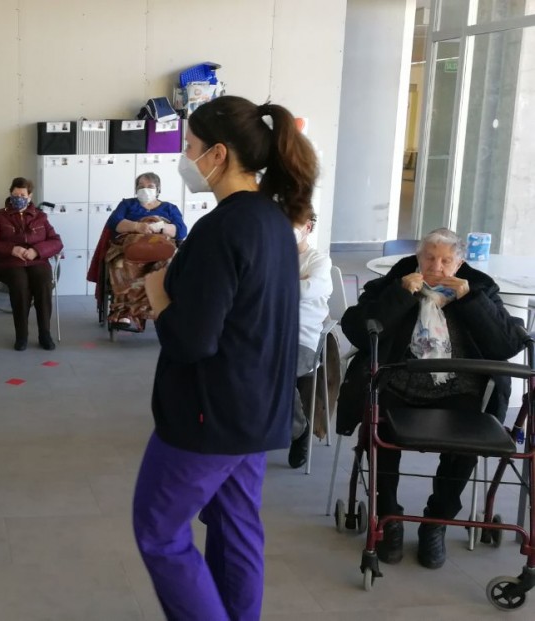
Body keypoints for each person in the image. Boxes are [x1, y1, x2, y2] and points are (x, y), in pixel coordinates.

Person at [134, 96, 317, 621]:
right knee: (235, 524)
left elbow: (191, 341)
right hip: (257, 407)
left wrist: (159, 294)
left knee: (159, 531)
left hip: (210, 413)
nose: (184, 159)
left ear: (218, 154)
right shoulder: (272, 219)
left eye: (190, 146)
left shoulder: (223, 228)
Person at [338, 228, 526, 569]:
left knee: (466, 443)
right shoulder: (396, 281)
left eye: (446, 260)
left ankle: (436, 521)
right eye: (429, 258)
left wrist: (470, 300)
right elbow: (357, 330)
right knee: (381, 428)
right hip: (397, 383)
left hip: (459, 388)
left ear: (460, 263)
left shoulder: (478, 287)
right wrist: (400, 296)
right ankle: (389, 517)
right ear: (418, 257)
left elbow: (506, 345)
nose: (436, 267)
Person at [0, 177, 63, 351]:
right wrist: (11, 249)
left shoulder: (40, 217)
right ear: (10, 194)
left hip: (36, 260)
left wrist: (37, 251)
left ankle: (45, 334)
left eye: (22, 195)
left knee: (43, 282)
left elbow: (56, 242)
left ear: (30, 196)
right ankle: (21, 335)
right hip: (9, 263)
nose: (18, 198)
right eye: (15, 195)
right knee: (19, 284)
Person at [98, 172, 187, 330]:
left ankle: (159, 308)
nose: (145, 190)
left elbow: (181, 231)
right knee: (120, 264)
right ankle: (124, 312)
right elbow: (113, 222)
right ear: (136, 189)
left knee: (168, 263)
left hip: (160, 248)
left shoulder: (169, 208)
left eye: (150, 186)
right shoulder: (127, 204)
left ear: (158, 189)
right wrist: (137, 226)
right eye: (141, 186)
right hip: (130, 249)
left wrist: (160, 227)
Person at [288, 213, 333, 469]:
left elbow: (310, 290)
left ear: (308, 226)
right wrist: (297, 284)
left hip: (302, 337)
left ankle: (299, 430)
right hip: (267, 332)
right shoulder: (270, 256)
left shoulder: (318, 260)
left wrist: (274, 286)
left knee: (278, 375)